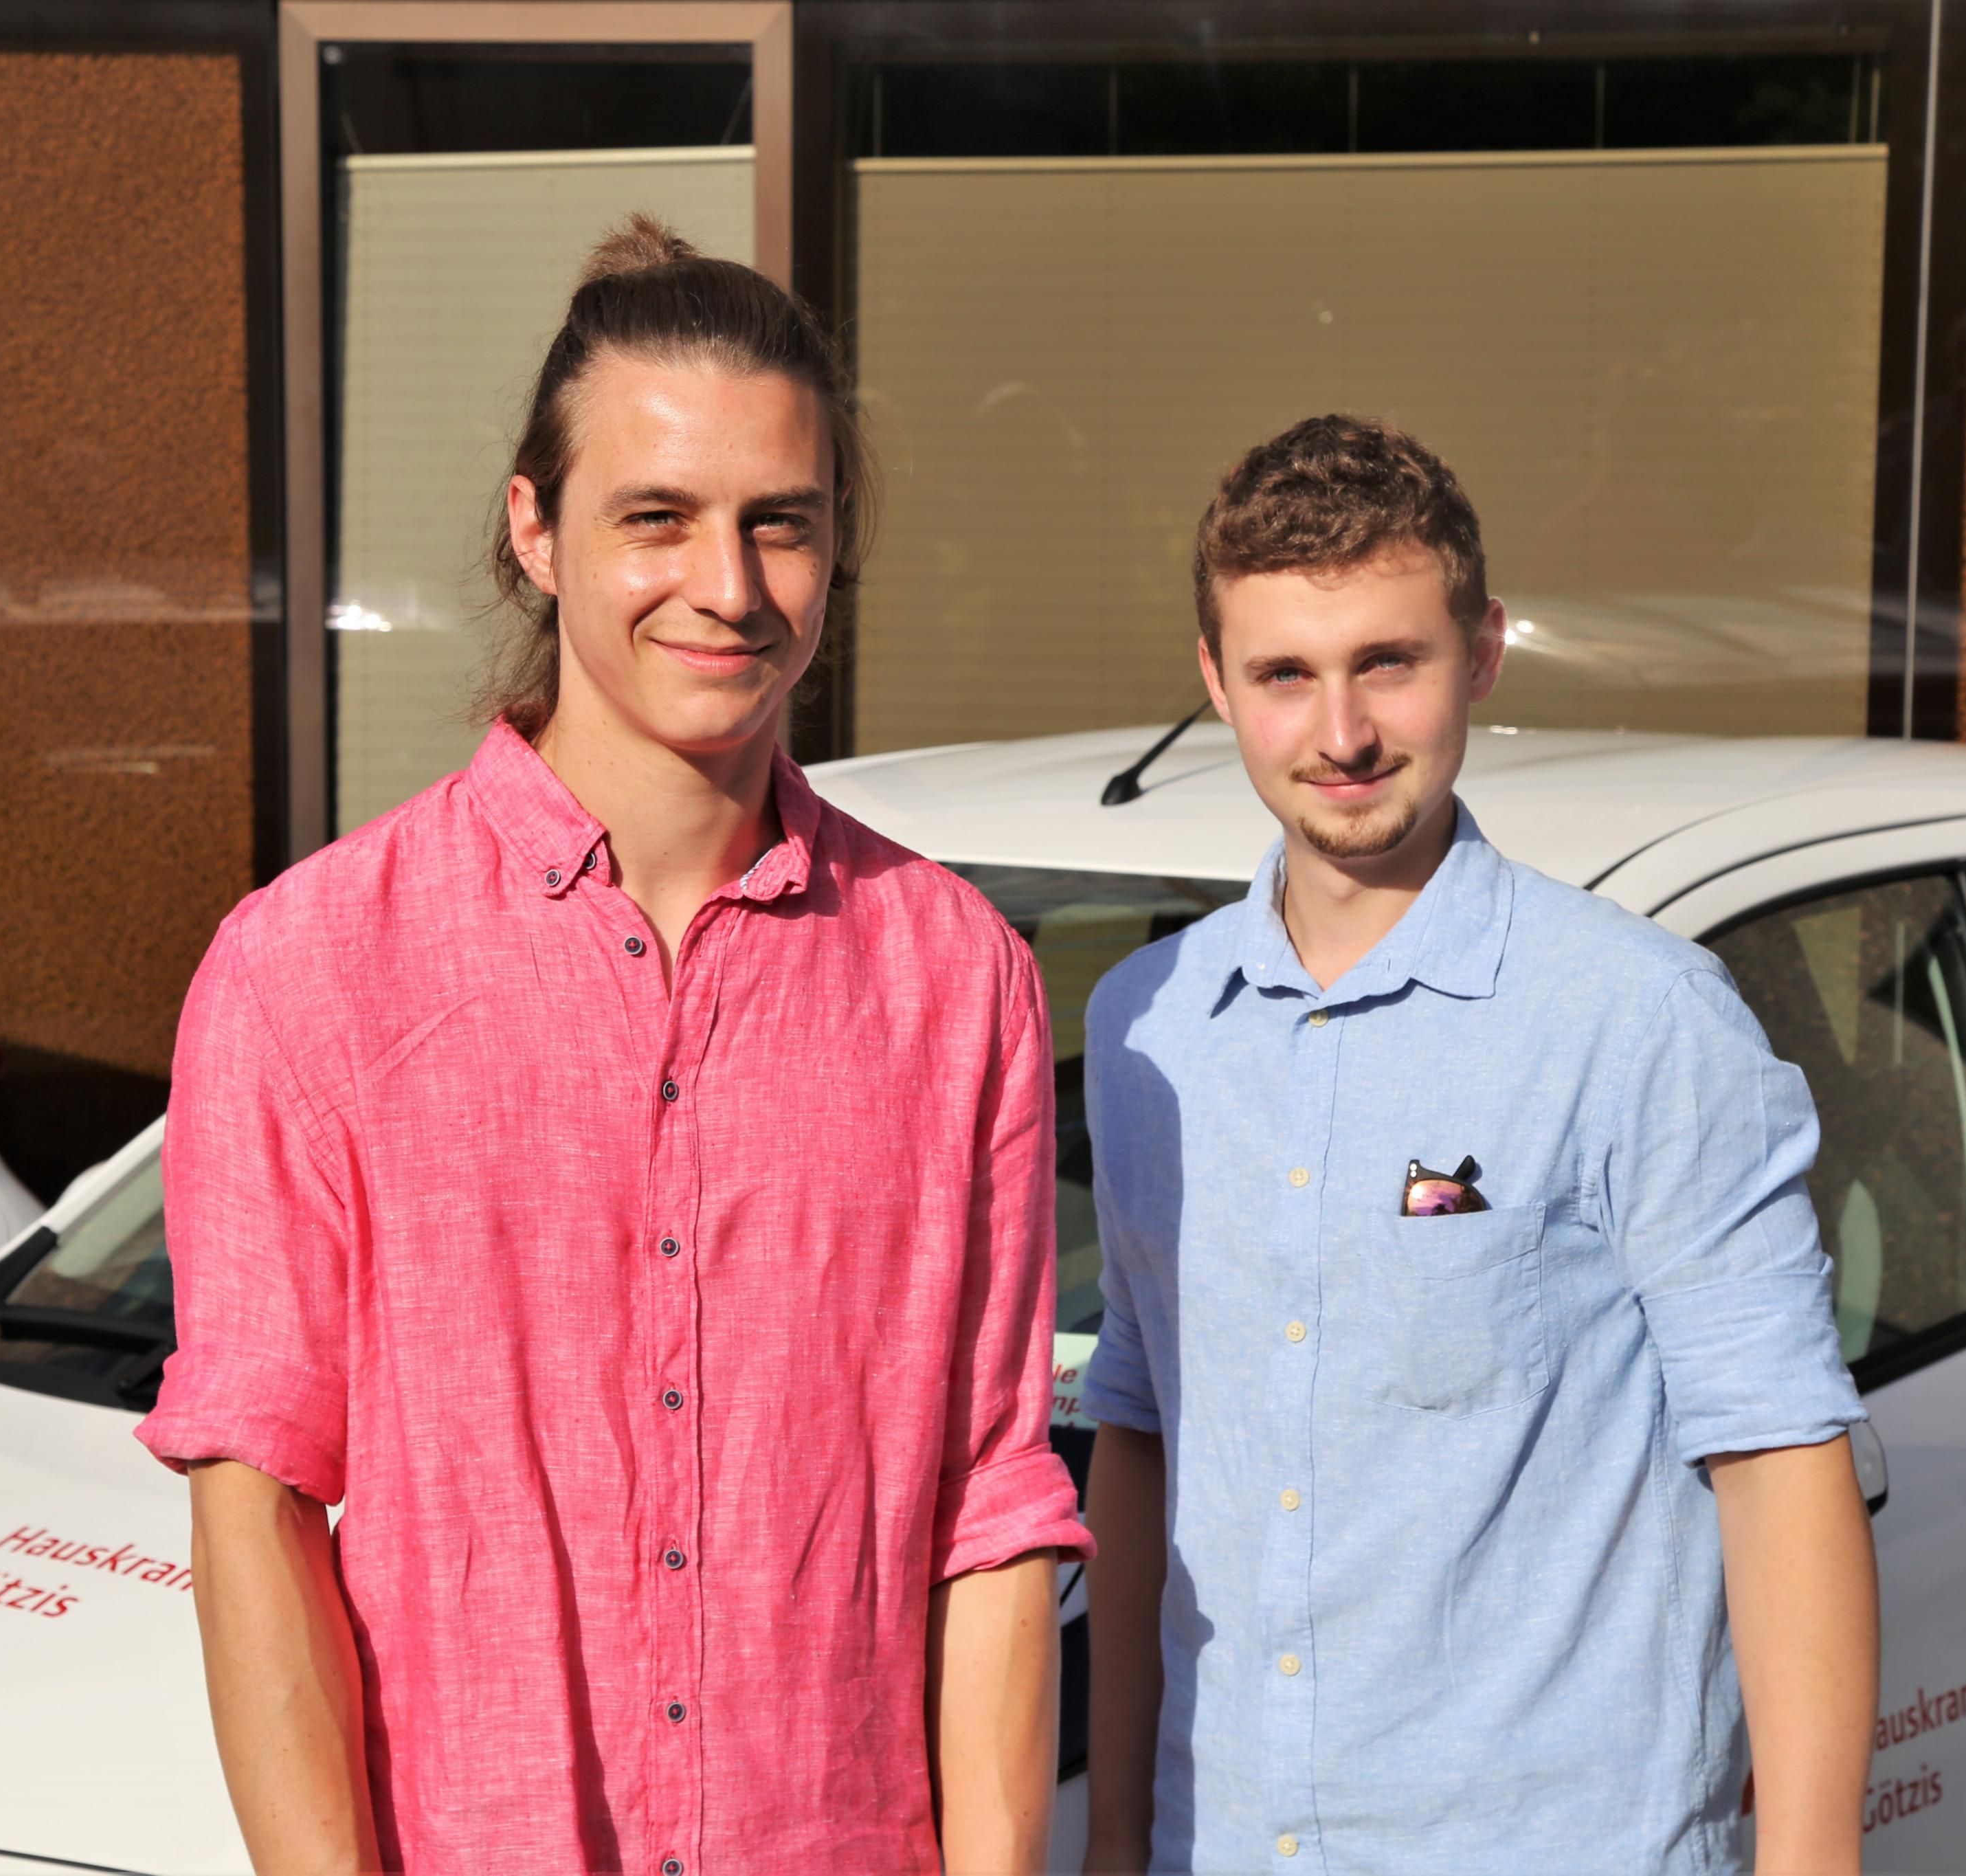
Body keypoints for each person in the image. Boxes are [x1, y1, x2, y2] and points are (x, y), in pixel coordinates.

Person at [137, 218, 1088, 1875]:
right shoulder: (308, 969)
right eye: (657, 517)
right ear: (536, 530)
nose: (727, 587)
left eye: (779, 522)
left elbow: (990, 1504)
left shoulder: (956, 982)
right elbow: (254, 1494)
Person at [1077, 415, 1878, 1875]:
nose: (1340, 734)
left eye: (1388, 662)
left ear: (1483, 653)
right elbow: (1139, 1438)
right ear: (1215, 681)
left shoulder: (1639, 1020)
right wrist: (1117, 1842)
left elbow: (1778, 1462)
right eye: (1283, 675)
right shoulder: (1148, 1026)